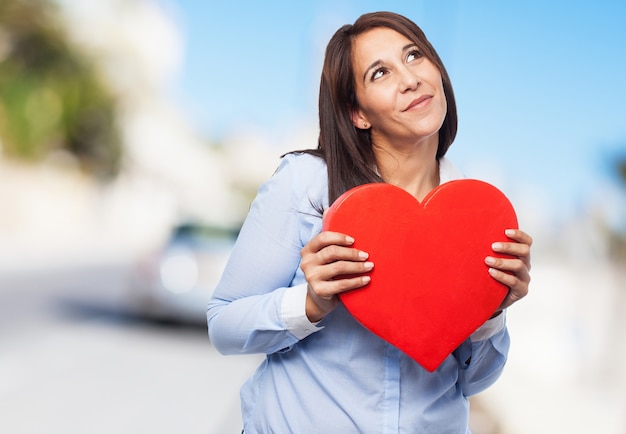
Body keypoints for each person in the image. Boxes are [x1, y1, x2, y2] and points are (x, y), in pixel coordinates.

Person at [207, 11, 532, 434]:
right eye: (381, 73)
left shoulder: (474, 216)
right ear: (358, 113)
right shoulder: (306, 185)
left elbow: (473, 381)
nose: (410, 79)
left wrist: (492, 309)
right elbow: (224, 325)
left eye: (414, 56)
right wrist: (310, 304)